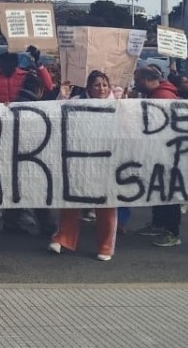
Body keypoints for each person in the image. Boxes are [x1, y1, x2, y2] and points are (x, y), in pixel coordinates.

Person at [48, 71, 118, 261]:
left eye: (104, 85)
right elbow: (55, 116)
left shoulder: (118, 104)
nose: (101, 89)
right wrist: (62, 97)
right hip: (79, 158)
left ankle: (105, 246)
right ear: (89, 88)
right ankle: (62, 238)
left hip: (107, 160)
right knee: (72, 198)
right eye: (97, 85)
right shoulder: (76, 101)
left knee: (106, 203)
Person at [0, 49, 53, 234]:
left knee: (33, 177)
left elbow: (48, 86)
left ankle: (44, 222)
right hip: (3, 133)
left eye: (10, 63)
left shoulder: (27, 77)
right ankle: (11, 220)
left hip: (28, 131)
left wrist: (38, 64)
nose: (7, 66)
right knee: (10, 178)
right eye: (4, 63)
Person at [132, 65, 183, 248]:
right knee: (159, 190)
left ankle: (172, 232)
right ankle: (159, 223)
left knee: (168, 193)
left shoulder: (163, 97)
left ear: (147, 80)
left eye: (137, 81)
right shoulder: (158, 95)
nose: (136, 84)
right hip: (159, 153)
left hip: (167, 154)